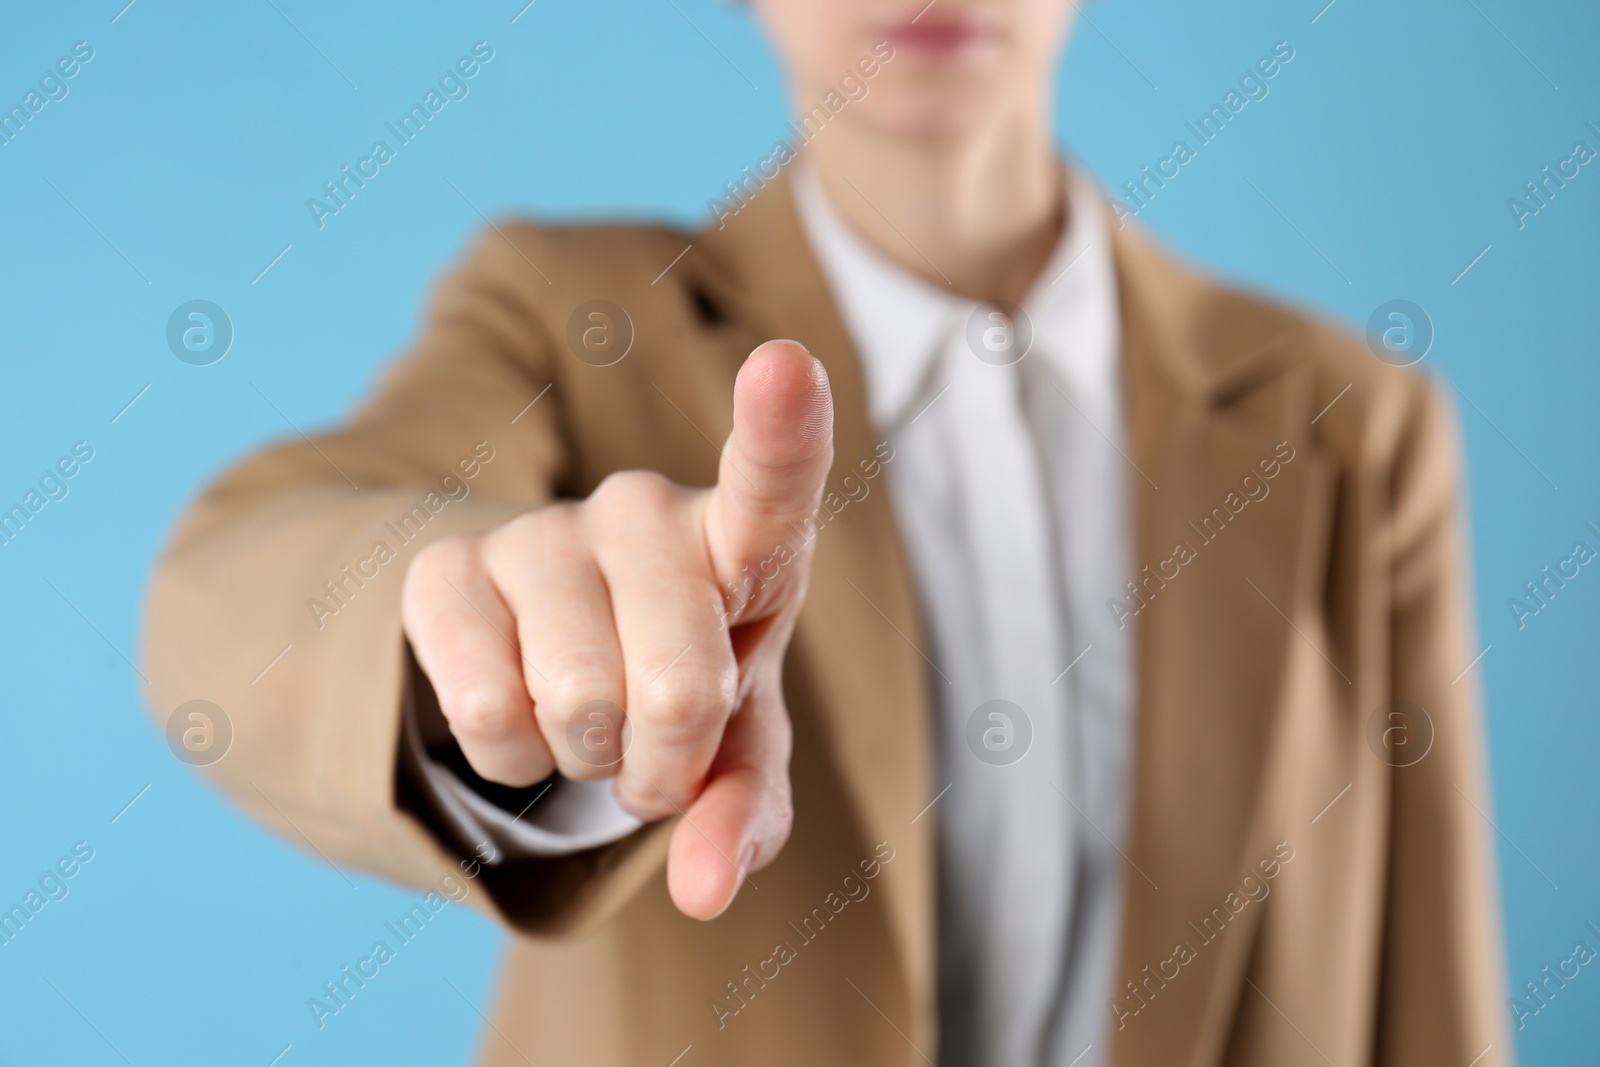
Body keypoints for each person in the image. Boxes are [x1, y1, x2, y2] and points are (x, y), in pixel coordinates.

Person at [143, 2, 1511, 1064]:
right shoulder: (573, 311)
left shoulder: (1350, 425)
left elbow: (1430, 996)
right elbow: (254, 583)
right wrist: (474, 616)